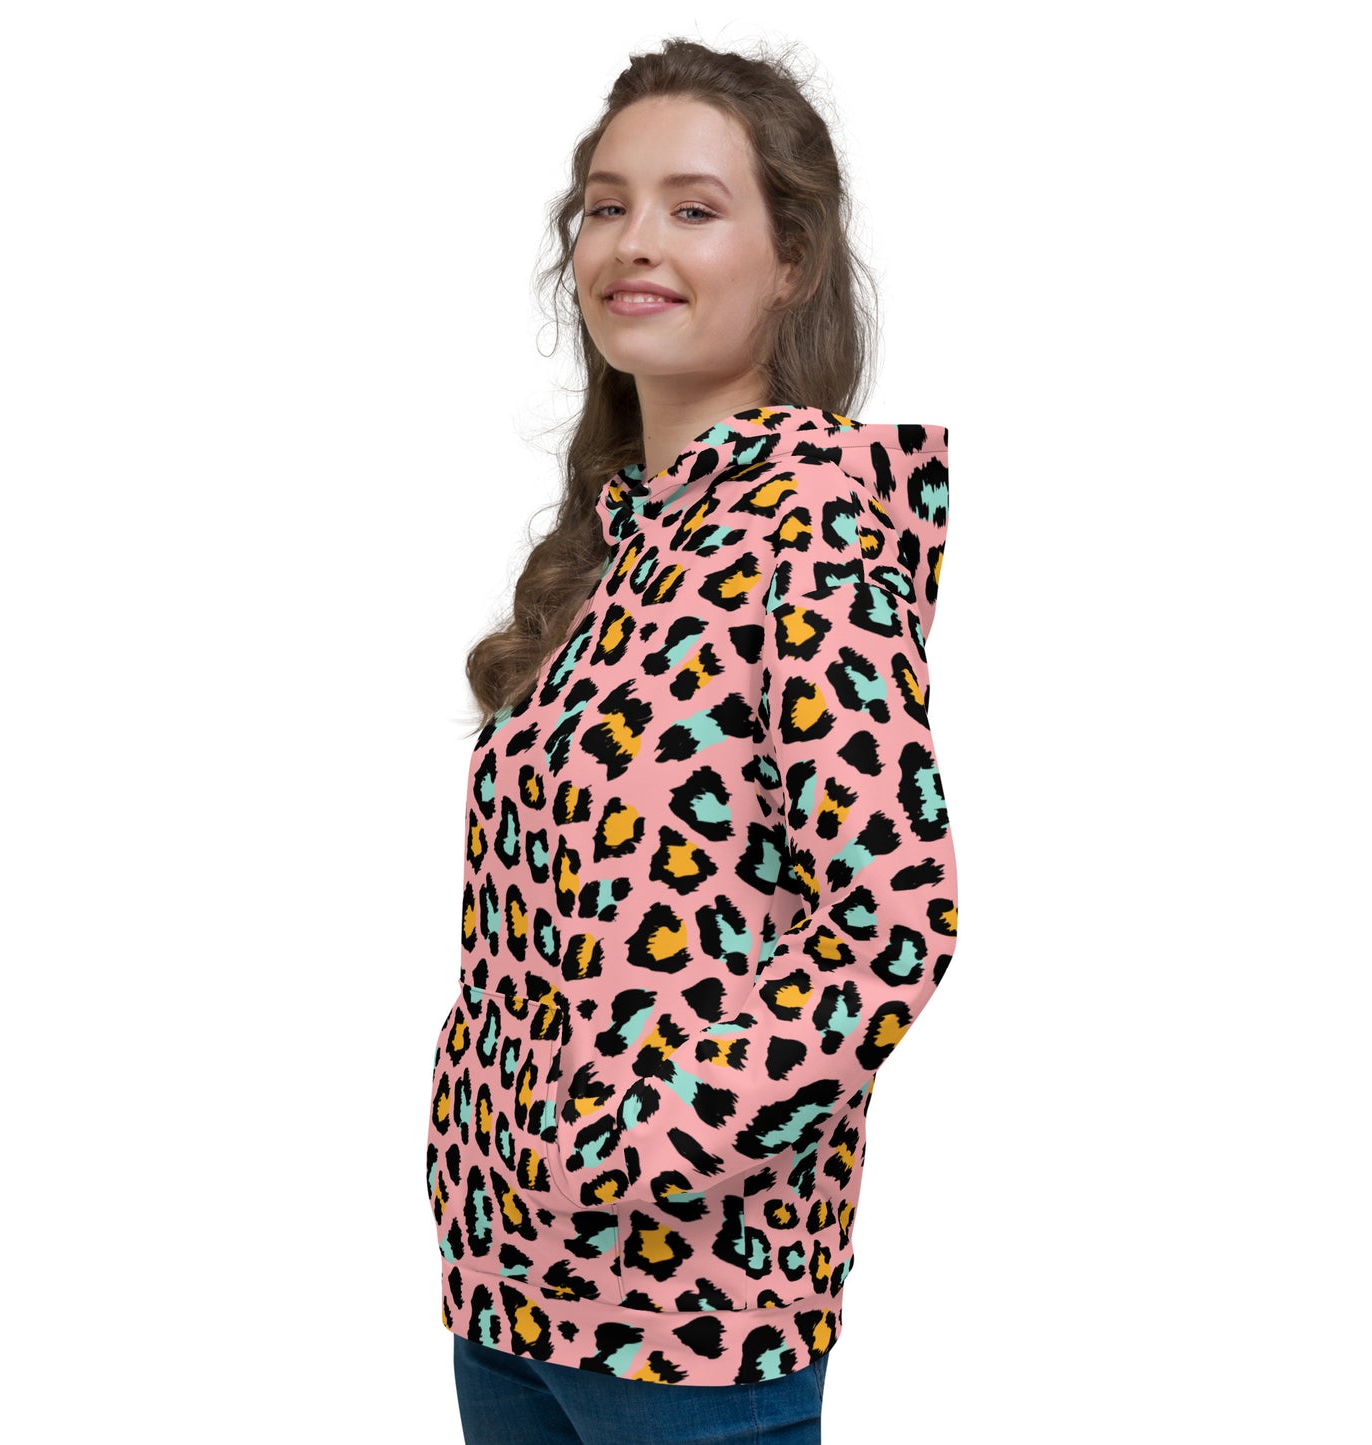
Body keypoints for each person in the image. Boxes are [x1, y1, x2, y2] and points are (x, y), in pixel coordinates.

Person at [426, 35, 958, 1445]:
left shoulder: (810, 531)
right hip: (509, 1290)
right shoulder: (616, 548)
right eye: (606, 205)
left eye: (694, 206)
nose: (634, 242)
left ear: (793, 262)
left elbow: (894, 921)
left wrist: (637, 1155)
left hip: (691, 1315)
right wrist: (489, 1148)